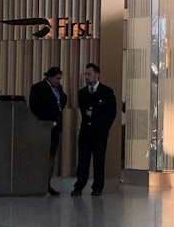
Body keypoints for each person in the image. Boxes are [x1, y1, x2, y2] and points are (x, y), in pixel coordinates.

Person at [72, 63, 117, 197]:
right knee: (83, 160)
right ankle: (79, 185)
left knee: (99, 160)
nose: (87, 77)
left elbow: (111, 113)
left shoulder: (107, 92)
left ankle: (97, 187)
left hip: (99, 133)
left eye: (89, 74)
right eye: (85, 74)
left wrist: (104, 129)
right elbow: (84, 111)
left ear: (97, 75)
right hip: (86, 132)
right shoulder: (83, 93)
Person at [29, 66, 67, 196]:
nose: (58, 81)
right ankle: (37, 183)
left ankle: (47, 183)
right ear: (49, 77)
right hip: (44, 126)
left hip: (55, 127)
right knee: (41, 156)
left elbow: (62, 101)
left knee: (51, 156)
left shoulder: (59, 89)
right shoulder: (38, 88)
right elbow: (34, 107)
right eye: (56, 79)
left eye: (60, 79)